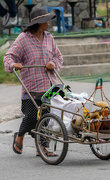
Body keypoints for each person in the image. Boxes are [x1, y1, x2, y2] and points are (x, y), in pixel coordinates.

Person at [4, 7, 63, 156]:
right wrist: (13, 65)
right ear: (38, 23)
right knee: (31, 116)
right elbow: (9, 56)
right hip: (31, 87)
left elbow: (58, 57)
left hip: (49, 86)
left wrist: (53, 63)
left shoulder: (49, 37)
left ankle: (41, 148)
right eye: (46, 21)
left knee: (45, 118)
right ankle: (20, 136)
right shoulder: (24, 38)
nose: (49, 23)